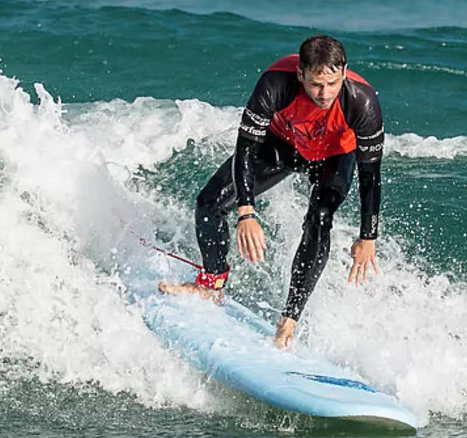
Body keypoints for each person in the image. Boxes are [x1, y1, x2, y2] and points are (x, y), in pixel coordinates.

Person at [159, 35, 384, 349]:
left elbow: (370, 175)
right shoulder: (275, 84)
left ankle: (288, 320)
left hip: (334, 156)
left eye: (333, 83)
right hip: (282, 146)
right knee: (208, 202)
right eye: (317, 84)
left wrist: (368, 236)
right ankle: (212, 285)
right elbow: (245, 150)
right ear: (301, 75)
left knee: (319, 219)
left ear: (344, 73)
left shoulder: (362, 101)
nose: (325, 93)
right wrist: (246, 210)